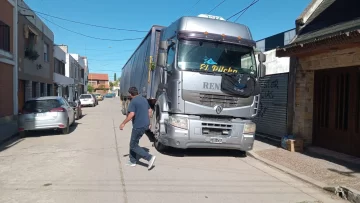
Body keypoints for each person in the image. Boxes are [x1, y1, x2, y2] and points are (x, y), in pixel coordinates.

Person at [119, 87, 156, 170]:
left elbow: (131, 114)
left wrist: (123, 123)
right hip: (145, 125)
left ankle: (149, 158)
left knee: (132, 145)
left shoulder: (133, 101)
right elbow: (150, 111)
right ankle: (132, 161)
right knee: (134, 142)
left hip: (138, 126)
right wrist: (149, 122)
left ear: (130, 94)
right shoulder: (144, 99)